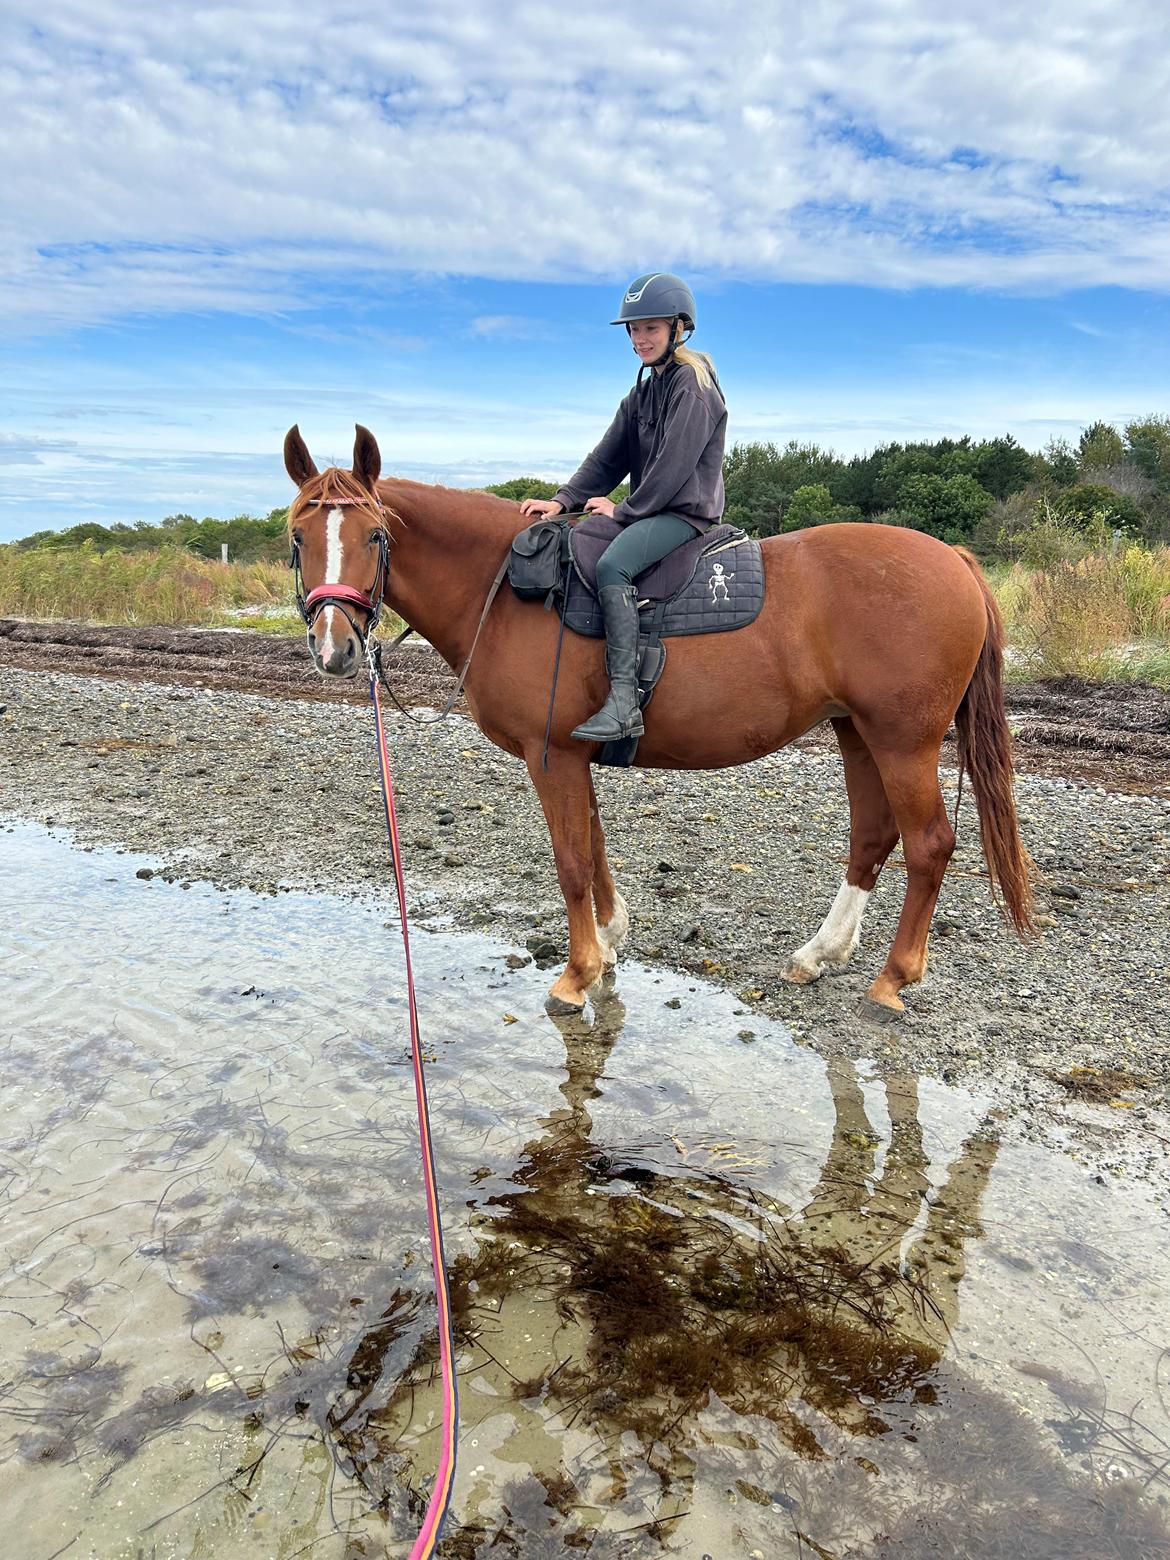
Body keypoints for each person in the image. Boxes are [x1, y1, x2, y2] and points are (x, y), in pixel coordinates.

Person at [520, 272, 727, 742]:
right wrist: (561, 500)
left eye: (650, 327)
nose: (639, 338)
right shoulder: (641, 393)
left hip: (682, 514)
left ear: (678, 327)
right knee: (577, 540)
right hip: (650, 508)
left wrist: (625, 511)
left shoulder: (692, 386)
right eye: (633, 329)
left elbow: (674, 467)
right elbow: (606, 458)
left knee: (614, 565)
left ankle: (623, 702)